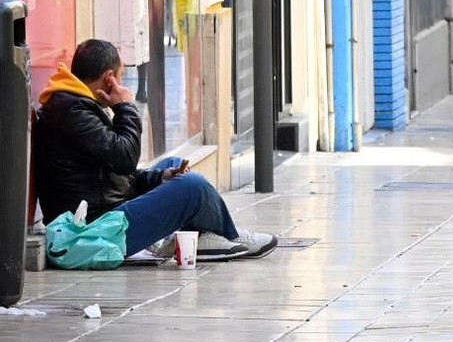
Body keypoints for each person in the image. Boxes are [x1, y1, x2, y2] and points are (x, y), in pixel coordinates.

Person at [33, 39, 277, 262]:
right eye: (121, 76)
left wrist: (161, 177)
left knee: (173, 164)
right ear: (109, 78)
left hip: (103, 212)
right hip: (93, 230)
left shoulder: (74, 104)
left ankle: (202, 238)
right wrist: (126, 108)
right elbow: (124, 158)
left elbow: (114, 174)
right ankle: (230, 236)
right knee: (192, 187)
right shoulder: (73, 111)